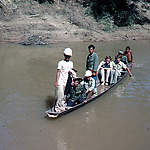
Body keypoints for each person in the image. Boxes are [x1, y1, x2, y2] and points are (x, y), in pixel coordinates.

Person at [54, 48, 74, 112]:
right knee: (60, 95)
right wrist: (57, 81)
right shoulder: (61, 62)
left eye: (69, 56)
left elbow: (71, 72)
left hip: (67, 81)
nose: (67, 57)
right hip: (60, 81)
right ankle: (57, 107)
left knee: (64, 95)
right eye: (66, 56)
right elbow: (58, 72)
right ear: (64, 55)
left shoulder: (71, 63)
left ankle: (62, 106)